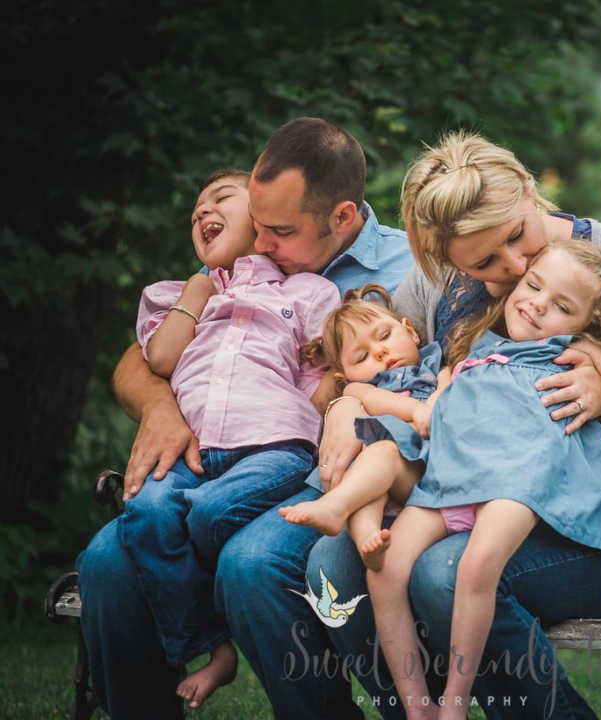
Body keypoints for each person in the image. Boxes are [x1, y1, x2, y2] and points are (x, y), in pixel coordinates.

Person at [307, 130, 601, 719]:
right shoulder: (438, 285)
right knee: (334, 564)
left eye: (517, 236)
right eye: (484, 262)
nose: (514, 267)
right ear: (446, 261)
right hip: (478, 493)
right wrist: (344, 407)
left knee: (444, 572)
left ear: (529, 191)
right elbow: (372, 360)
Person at [75, 118, 413, 719]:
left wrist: (347, 402)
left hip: (339, 478)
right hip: (217, 464)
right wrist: (159, 408)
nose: (259, 238)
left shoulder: (409, 273)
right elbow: (143, 357)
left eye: (277, 231)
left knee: (251, 562)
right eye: (255, 220)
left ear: (341, 217)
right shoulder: (238, 265)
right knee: (105, 561)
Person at [355, 239, 601, 719]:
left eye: (562, 306)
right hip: (453, 479)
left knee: (477, 567)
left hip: (521, 481)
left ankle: (455, 703)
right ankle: (417, 706)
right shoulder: (478, 346)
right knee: (384, 571)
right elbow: (427, 408)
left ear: (589, 322)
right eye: (534, 286)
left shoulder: (578, 349)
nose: (538, 305)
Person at [119, 167, 341, 708]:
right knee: (144, 513)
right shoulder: (174, 294)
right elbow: (163, 358)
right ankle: (212, 648)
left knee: (206, 514)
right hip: (196, 456)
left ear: (262, 217)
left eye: (221, 198)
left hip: (276, 447)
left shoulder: (306, 290)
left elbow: (320, 382)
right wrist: (197, 290)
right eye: (195, 210)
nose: (201, 211)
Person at [280, 284, 450, 570]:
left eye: (384, 336)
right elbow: (376, 398)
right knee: (365, 468)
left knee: (380, 455)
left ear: (410, 330)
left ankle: (336, 508)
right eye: (361, 357)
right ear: (344, 376)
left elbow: (449, 384)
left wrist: (432, 403)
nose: (381, 352)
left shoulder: (436, 365)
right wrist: (416, 411)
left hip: (423, 470)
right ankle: (367, 540)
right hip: (380, 474)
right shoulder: (357, 390)